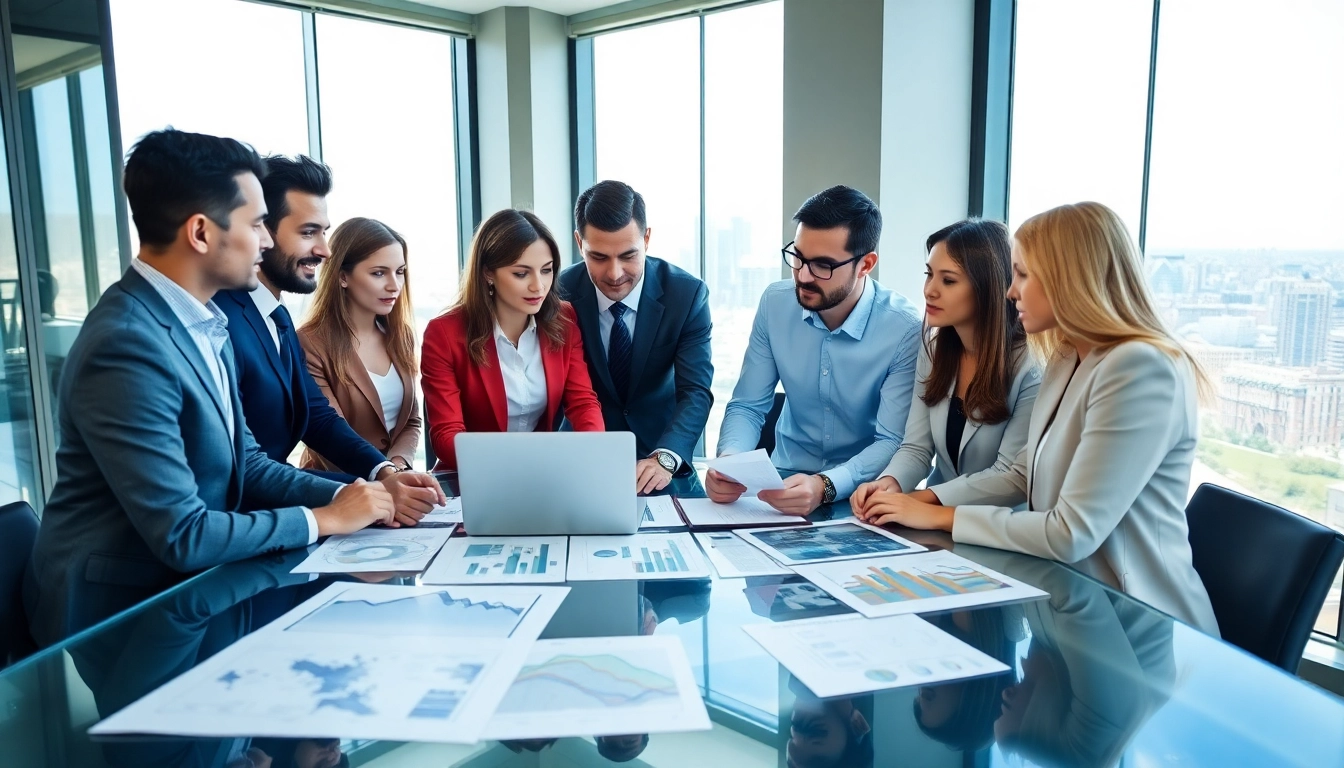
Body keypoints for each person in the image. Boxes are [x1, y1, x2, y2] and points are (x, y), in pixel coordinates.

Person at [23, 129, 393, 646]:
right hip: (120, 617)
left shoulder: (204, 323)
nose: (266, 241)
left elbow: (250, 462)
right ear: (200, 233)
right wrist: (325, 518)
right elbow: (184, 534)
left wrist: (361, 497)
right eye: (256, 224)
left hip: (194, 595)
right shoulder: (126, 344)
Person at [859, 202, 1219, 635]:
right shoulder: (1069, 356)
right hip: (1069, 610)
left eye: (1024, 275)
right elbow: (1021, 475)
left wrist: (940, 515)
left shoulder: (1140, 367)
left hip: (1137, 624)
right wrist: (912, 500)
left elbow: (1071, 533)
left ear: (1070, 279)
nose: (1012, 291)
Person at [213, 154, 442, 524]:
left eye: (323, 231)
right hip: (243, 522)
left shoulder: (277, 317)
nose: (325, 249)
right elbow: (247, 464)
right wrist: (367, 494)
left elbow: (317, 418)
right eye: (308, 233)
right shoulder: (220, 322)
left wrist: (383, 472)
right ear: (260, 231)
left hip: (275, 511)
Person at [710, 185, 921, 516]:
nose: (803, 276)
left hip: (862, 496)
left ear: (865, 264)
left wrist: (825, 485)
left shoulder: (904, 328)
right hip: (779, 482)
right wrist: (730, 461)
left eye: (823, 265)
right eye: (798, 257)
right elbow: (748, 405)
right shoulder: (775, 303)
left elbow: (892, 440)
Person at [852, 219, 1039, 516]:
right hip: (931, 520)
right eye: (929, 274)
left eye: (948, 280)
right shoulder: (934, 348)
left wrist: (920, 501)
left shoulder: (1031, 365)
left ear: (987, 287)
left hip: (997, 526)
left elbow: (1011, 477)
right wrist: (889, 484)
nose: (929, 290)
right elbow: (916, 447)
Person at [559, 180, 713, 494]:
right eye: (598, 257)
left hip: (664, 460)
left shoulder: (685, 294)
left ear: (646, 238)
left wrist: (666, 457)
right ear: (579, 243)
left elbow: (695, 392)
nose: (615, 274)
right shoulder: (559, 293)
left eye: (628, 255)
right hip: (581, 461)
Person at [422, 209, 603, 470]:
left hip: (544, 474)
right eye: (521, 274)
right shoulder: (445, 334)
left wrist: (594, 450)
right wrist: (516, 464)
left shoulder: (563, 319)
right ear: (488, 273)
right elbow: (446, 435)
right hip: (475, 476)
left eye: (546, 270)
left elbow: (583, 402)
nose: (538, 286)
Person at [298, 217, 420, 474]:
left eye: (400, 272)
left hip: (396, 484)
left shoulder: (401, 336)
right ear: (343, 276)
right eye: (379, 273)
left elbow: (411, 421)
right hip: (339, 487)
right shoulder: (310, 343)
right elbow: (329, 433)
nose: (394, 285)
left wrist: (397, 468)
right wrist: (384, 473)